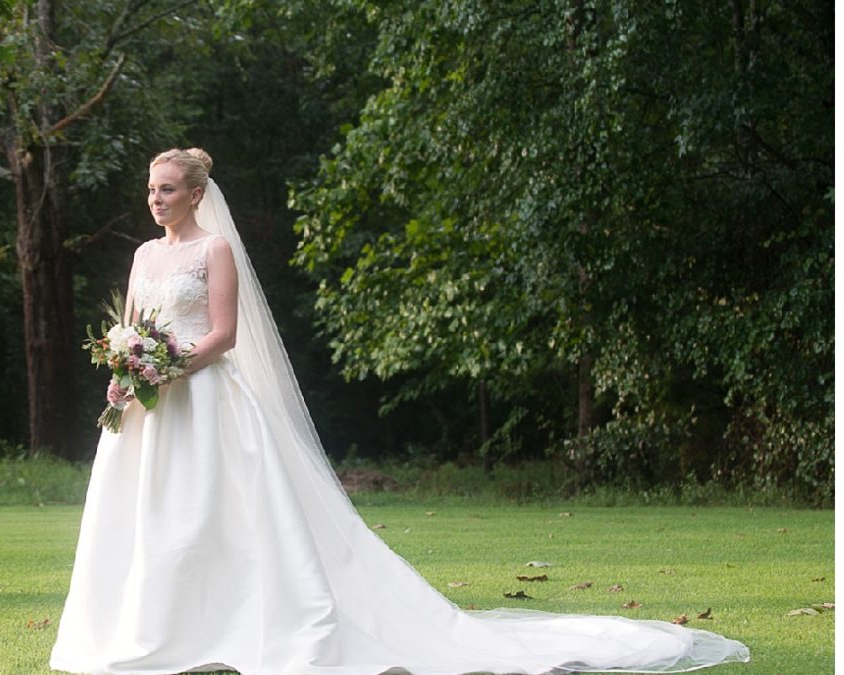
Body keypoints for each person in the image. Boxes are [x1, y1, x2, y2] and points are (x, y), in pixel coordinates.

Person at [49, 148, 750, 675]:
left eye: (166, 189)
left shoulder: (215, 249)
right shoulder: (143, 254)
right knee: (149, 518)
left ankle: (237, 624)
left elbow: (223, 334)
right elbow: (134, 325)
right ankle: (153, 629)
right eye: (149, 189)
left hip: (205, 399)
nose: (155, 199)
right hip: (150, 407)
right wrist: (123, 372)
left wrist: (168, 366)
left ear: (196, 193)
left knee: (216, 514)